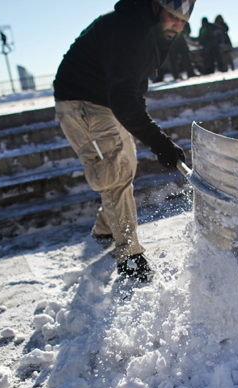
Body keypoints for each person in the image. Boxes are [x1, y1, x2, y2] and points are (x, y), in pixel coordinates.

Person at [53, 0, 193, 282]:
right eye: (172, 17)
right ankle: (130, 257)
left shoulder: (152, 32)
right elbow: (123, 96)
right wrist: (160, 142)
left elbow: (133, 88)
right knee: (114, 172)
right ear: (156, 6)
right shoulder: (129, 30)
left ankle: (106, 227)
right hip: (81, 101)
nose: (177, 25)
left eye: (182, 21)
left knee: (125, 163)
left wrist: (153, 136)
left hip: (107, 99)